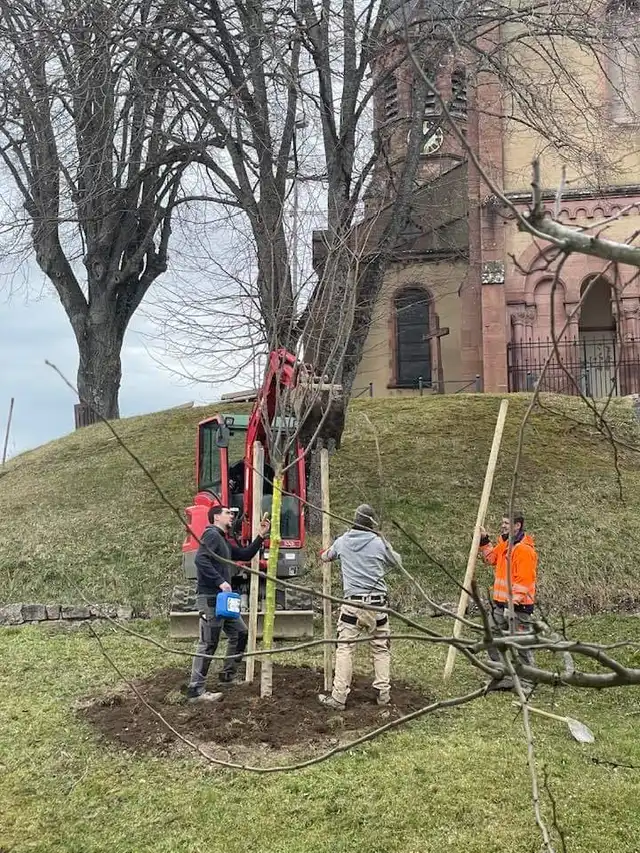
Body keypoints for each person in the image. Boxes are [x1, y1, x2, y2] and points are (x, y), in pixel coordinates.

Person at [317, 504, 402, 710]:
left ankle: (338, 697)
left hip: (352, 605)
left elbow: (325, 556)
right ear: (372, 524)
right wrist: (384, 541)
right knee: (381, 649)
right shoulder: (379, 543)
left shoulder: (343, 541)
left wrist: (326, 551)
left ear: (354, 521)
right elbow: (398, 563)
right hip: (378, 606)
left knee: (345, 648)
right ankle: (383, 694)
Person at [186, 505, 270, 702]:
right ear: (216, 517)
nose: (232, 516)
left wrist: (261, 536)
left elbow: (244, 554)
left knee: (240, 633)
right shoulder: (211, 535)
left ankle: (227, 676)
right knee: (208, 643)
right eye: (227, 513)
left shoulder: (223, 540)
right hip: (211, 598)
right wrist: (221, 581)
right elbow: (201, 560)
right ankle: (196, 690)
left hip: (224, 600)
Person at [479, 511, 538, 691]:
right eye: (502, 522)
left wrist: (512, 604)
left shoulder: (524, 549)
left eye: (507, 523)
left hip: (518, 608)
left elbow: (524, 581)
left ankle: (527, 683)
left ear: (517, 525)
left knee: (521, 644)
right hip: (500, 605)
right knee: (492, 638)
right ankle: (502, 676)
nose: (503, 525)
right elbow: (491, 558)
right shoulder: (505, 545)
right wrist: (483, 541)